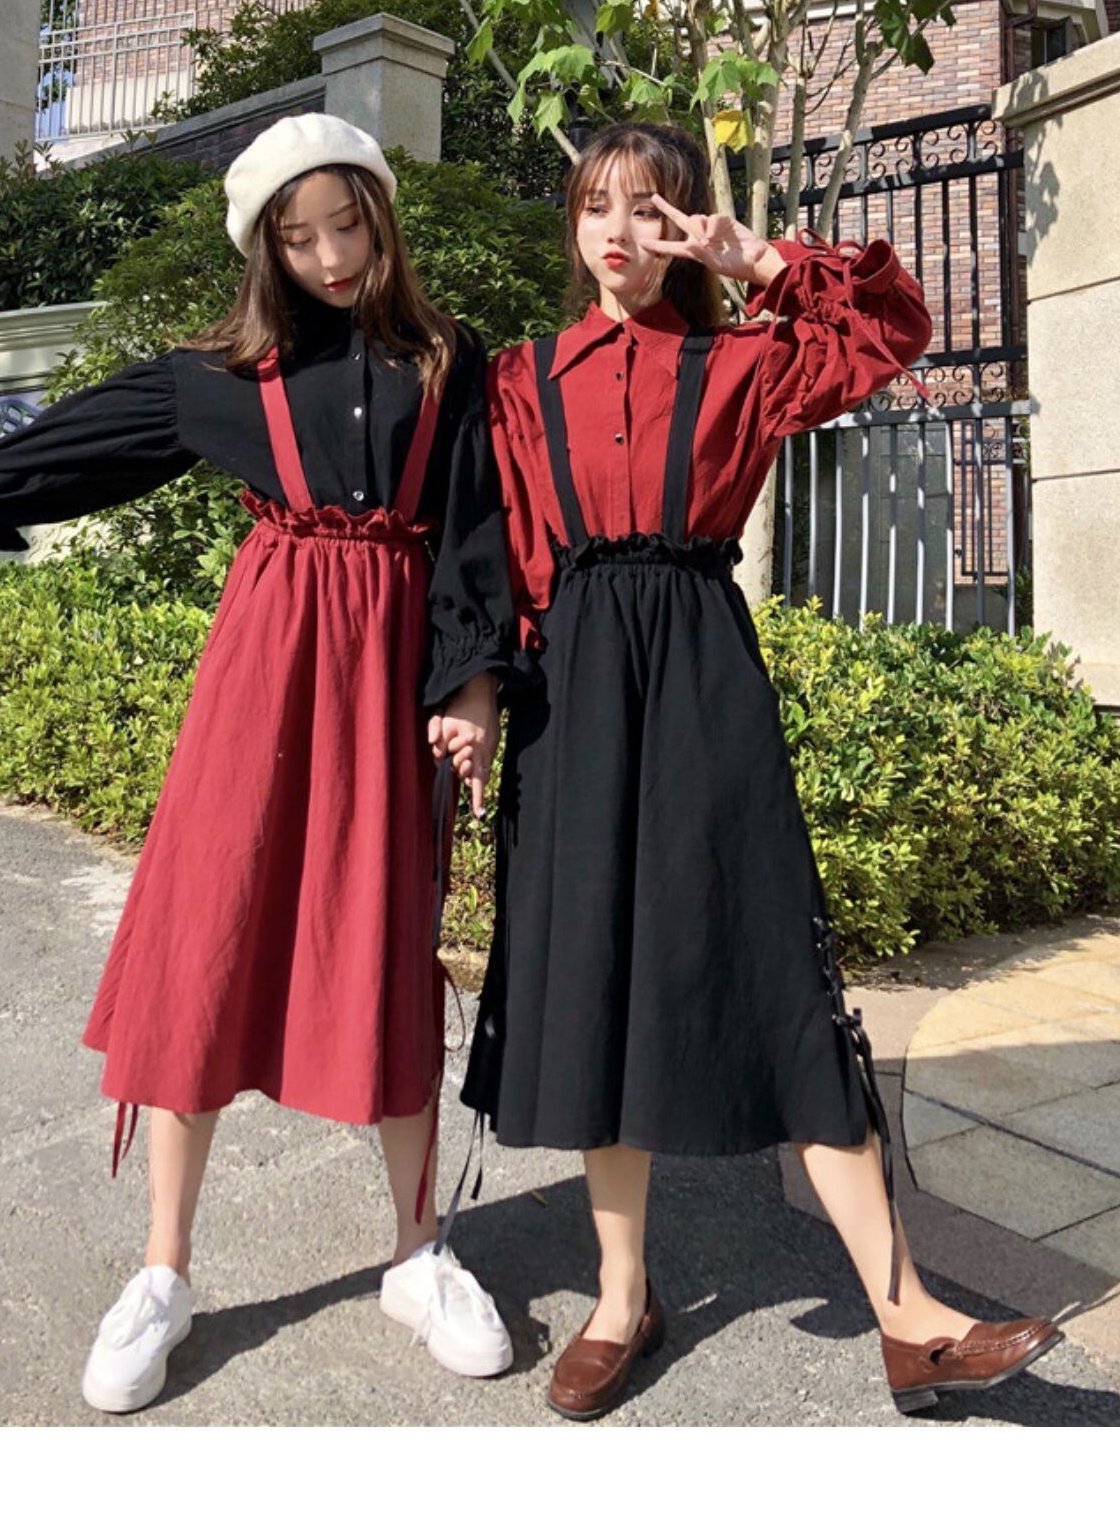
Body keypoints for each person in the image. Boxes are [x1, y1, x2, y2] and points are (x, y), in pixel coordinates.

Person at [0, 114, 515, 1413]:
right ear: (265, 249)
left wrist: (473, 684)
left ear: (381, 217)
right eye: (298, 238)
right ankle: (163, 1271)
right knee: (204, 939)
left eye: (347, 226)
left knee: (385, 947)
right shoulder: (223, 374)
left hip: (390, 682)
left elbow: (480, 530)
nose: (329, 257)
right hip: (266, 673)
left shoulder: (446, 360)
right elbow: (85, 442)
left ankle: (417, 1253)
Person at [442, 121, 1063, 1422]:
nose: (620, 231)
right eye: (596, 205)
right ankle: (622, 1298)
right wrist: (477, 693)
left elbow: (893, 328)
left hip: (706, 685)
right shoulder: (515, 381)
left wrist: (759, 259)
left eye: (651, 208)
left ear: (686, 227)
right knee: (598, 980)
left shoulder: (744, 361)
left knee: (781, 972)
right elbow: (483, 557)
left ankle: (908, 1316)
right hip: (573, 704)